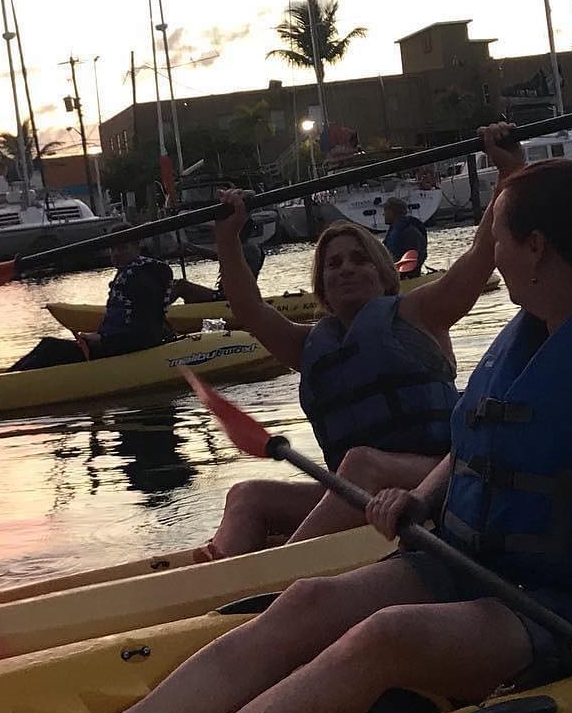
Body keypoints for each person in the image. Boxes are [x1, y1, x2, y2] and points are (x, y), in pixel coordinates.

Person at [0, 157, 572, 713]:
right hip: (475, 562)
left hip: (566, 603)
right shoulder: (533, 332)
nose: (487, 251)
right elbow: (479, 445)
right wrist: (421, 497)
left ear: (535, 247)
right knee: (308, 599)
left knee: (386, 635)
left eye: (495, 235)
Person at [200, 126, 524, 558]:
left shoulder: (420, 313)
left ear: (384, 275)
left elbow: (482, 253)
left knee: (361, 464)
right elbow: (249, 309)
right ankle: (215, 578)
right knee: (246, 495)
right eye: (333, 264)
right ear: (322, 286)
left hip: (442, 480)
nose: (346, 269)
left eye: (359, 260)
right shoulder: (307, 344)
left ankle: (273, 576)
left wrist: (511, 170)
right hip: (360, 493)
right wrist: (227, 237)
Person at [10, 240, 175, 371]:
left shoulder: (142, 278)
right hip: (117, 343)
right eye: (113, 249)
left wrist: (103, 339)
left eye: (123, 248)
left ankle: (5, 386)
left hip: (128, 346)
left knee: (51, 348)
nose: (116, 254)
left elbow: (143, 325)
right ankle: (7, 378)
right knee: (47, 345)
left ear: (138, 247)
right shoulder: (132, 273)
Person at [170, 213, 267, 306]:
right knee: (187, 293)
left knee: (181, 286)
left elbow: (217, 255)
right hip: (225, 296)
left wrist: (192, 248)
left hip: (228, 299)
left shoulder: (249, 249)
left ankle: (158, 314)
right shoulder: (241, 249)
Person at [381, 198, 428, 273]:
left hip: (407, 276)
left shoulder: (410, 233)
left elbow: (414, 258)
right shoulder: (394, 231)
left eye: (385, 211)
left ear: (392, 212)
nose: (383, 214)